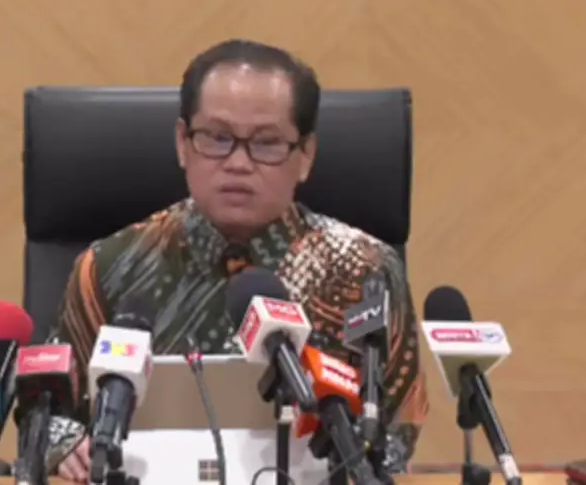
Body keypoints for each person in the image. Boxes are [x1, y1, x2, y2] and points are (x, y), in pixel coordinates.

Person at [50, 38, 428, 483]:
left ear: (305, 155)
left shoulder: (366, 271)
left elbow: (397, 430)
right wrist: (65, 444)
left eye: (266, 143)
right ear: (182, 143)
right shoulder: (111, 267)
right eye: (217, 138)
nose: (238, 163)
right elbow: (50, 412)